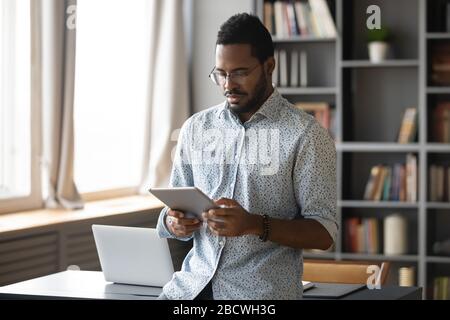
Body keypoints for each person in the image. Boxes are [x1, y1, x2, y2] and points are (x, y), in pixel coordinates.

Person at [156, 13, 338, 300]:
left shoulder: (306, 135)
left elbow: (324, 233)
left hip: (258, 296)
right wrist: (173, 222)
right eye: (221, 73)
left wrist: (254, 224)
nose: (228, 84)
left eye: (240, 72)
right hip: (189, 291)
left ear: (269, 66)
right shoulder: (195, 128)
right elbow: (173, 210)